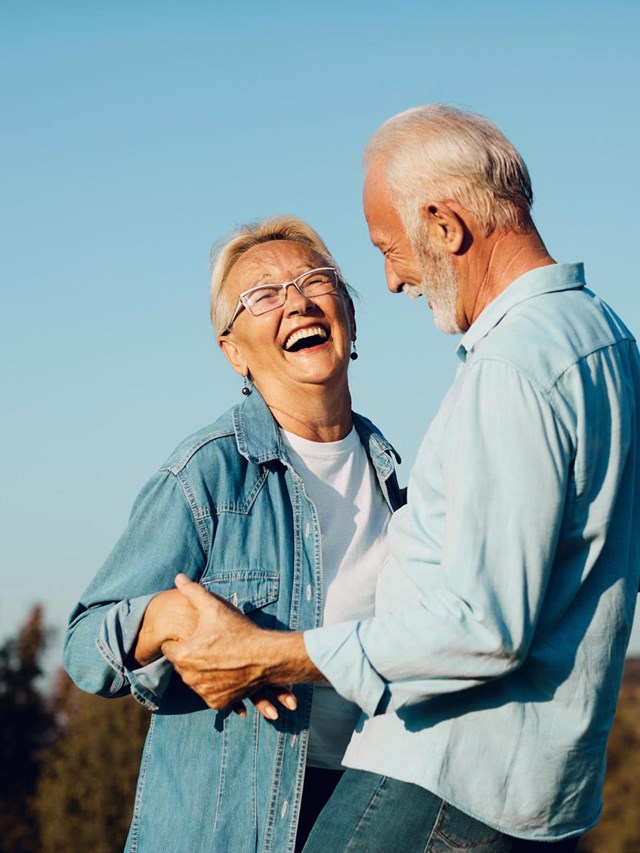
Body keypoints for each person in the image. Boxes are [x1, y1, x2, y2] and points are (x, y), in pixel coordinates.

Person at [161, 105, 640, 852]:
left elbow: (481, 628)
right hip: (546, 796)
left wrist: (269, 652)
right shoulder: (607, 339)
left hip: (441, 782)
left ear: (446, 226)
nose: (390, 280)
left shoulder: (512, 370)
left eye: (392, 248)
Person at [63, 215, 403, 852]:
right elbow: (85, 645)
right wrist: (165, 617)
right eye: (263, 296)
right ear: (233, 351)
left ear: (349, 315)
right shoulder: (208, 473)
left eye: (315, 280)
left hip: (366, 806)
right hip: (234, 828)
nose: (297, 301)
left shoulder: (396, 475)